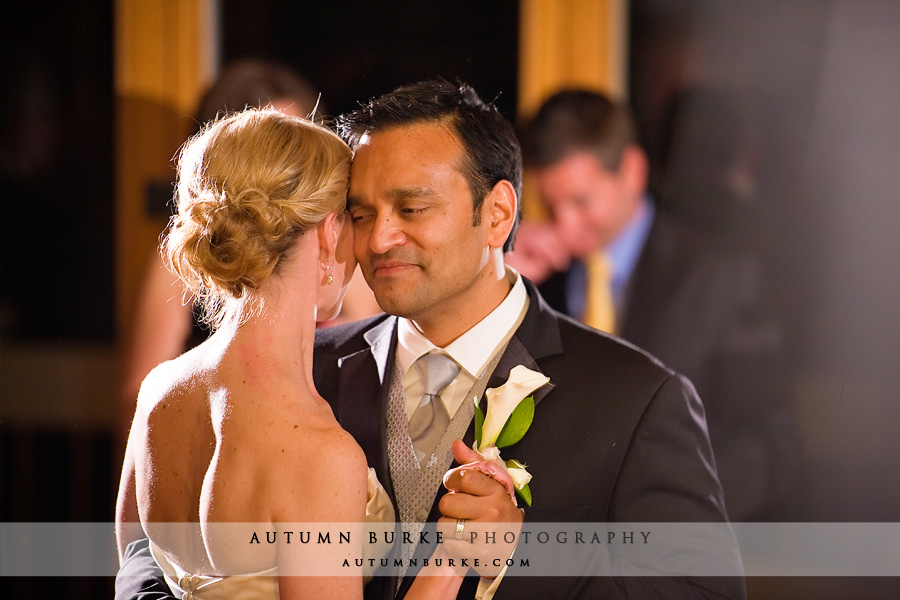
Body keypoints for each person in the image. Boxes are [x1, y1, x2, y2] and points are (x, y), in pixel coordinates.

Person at [117, 80, 745, 599]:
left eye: (411, 209)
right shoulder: (305, 380)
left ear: (497, 214)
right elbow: (155, 560)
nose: (380, 239)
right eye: (360, 214)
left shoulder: (636, 400)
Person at [115, 108, 463, 599]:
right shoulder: (318, 454)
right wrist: (455, 557)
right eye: (356, 216)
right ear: (327, 232)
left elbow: (134, 572)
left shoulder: (159, 392)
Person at [509, 89, 798, 521]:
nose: (565, 224)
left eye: (581, 201)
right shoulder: (535, 280)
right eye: (551, 204)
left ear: (632, 171)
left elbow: (770, 448)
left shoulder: (719, 274)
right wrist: (505, 278)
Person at [117, 60, 380, 447]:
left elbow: (379, 364)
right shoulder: (187, 255)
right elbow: (138, 399)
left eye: (298, 143)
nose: (284, 177)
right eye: (272, 146)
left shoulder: (338, 249)